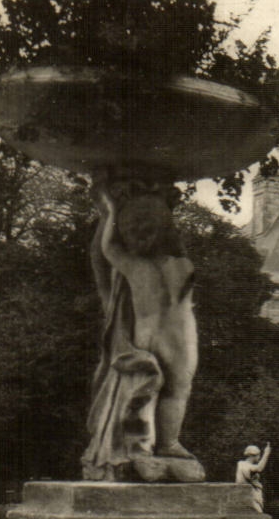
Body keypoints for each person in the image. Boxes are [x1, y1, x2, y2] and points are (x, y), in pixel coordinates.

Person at [81, 175, 205, 483]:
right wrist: (108, 212)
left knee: (177, 389)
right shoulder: (147, 265)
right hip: (158, 337)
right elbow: (105, 251)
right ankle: (142, 450)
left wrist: (113, 213)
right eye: (134, 230)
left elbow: (110, 249)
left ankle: (168, 443)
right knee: (147, 389)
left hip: (180, 338)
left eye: (146, 228)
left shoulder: (174, 263)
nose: (140, 236)